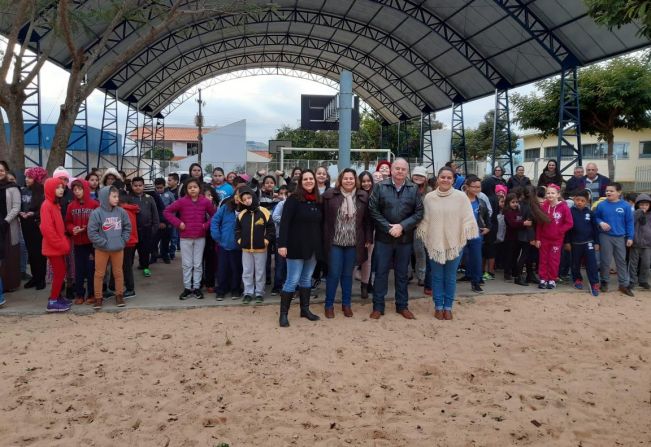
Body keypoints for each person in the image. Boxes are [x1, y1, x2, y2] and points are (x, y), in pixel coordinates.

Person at [417, 166, 478, 320]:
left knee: (450, 277)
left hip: (455, 243)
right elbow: (425, 219)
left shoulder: (461, 197)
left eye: (449, 178)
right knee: (437, 277)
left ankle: (448, 307)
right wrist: (426, 235)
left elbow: (468, 217)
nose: (445, 180)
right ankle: (438, 306)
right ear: (438, 178)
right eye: (442, 177)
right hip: (434, 243)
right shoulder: (429, 197)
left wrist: (463, 233)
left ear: (453, 179)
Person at [368, 158, 424, 320]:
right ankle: (378, 306)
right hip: (383, 239)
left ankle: (402, 306)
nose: (400, 171)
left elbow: (419, 212)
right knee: (381, 273)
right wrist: (388, 227)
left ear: (407, 172)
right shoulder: (380, 187)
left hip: (404, 240)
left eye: (403, 169)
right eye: (397, 168)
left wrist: (402, 226)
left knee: (401, 274)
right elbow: (373, 210)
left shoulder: (413, 189)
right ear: (391, 170)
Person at [322, 168, 372, 318]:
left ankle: (346, 304)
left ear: (355, 180)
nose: (348, 181)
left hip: (353, 243)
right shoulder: (330, 195)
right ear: (340, 180)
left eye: (351, 178)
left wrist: (369, 238)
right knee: (334, 274)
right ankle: (329, 305)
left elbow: (368, 220)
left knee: (347, 276)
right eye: (345, 178)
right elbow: (323, 219)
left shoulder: (362, 196)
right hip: (335, 242)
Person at [277, 169, 323, 327]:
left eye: (311, 179)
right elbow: (284, 223)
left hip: (313, 247)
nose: (309, 181)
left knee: (306, 279)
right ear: (300, 182)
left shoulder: (318, 200)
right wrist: (282, 244)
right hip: (295, 246)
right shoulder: (293, 200)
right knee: (292, 280)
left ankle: (305, 309)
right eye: (306, 179)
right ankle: (283, 314)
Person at [163, 178, 215, 300]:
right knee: (187, 264)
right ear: (186, 189)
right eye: (190, 187)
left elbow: (214, 215)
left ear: (199, 188)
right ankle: (187, 288)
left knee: (197, 264)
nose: (192, 189)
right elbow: (167, 212)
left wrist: (205, 226)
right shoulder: (181, 201)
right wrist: (178, 223)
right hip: (185, 237)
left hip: (200, 237)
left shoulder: (205, 202)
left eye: (195, 187)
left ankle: (196, 288)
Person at [88, 185, 131, 309]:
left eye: (117, 196)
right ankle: (98, 297)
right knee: (99, 274)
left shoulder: (121, 212)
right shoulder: (96, 213)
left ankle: (119, 295)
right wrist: (104, 243)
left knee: (118, 272)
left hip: (118, 248)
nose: (117, 199)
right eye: (114, 196)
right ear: (105, 197)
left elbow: (127, 227)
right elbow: (92, 232)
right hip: (102, 249)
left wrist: (123, 240)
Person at [235, 187, 275, 304]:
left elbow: (271, 228)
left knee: (260, 271)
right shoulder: (241, 214)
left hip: (261, 249)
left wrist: (266, 241)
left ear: (254, 197)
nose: (247, 200)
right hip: (246, 249)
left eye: (249, 198)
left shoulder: (264, 211)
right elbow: (237, 230)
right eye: (244, 199)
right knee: (247, 271)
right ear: (242, 201)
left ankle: (259, 293)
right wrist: (240, 241)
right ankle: (248, 293)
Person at [594, 183, 634, 296]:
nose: (608, 193)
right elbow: (595, 217)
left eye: (611, 191)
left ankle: (624, 284)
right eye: (607, 191)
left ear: (619, 192)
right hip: (605, 236)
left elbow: (629, 222)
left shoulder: (625, 206)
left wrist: (630, 237)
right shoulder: (601, 205)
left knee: (621, 261)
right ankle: (604, 282)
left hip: (620, 237)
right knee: (605, 261)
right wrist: (601, 222)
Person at [39, 177, 71, 312]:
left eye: (62, 187)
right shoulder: (47, 205)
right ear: (50, 189)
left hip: (57, 246)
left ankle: (57, 296)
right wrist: (60, 244)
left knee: (61, 271)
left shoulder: (54, 204)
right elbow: (47, 229)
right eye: (57, 187)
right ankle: (52, 301)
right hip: (54, 248)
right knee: (59, 273)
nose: (61, 190)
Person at [65, 179, 99, 304]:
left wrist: (87, 228)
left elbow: (99, 222)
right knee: (79, 270)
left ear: (85, 189)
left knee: (91, 269)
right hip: (78, 243)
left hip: (91, 243)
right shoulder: (71, 206)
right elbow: (68, 222)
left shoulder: (94, 204)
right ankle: (79, 294)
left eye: (79, 189)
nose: (77, 192)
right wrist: (72, 229)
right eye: (74, 190)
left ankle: (91, 294)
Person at [534, 184, 573, 289]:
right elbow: (539, 224)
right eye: (548, 193)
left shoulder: (564, 207)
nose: (550, 195)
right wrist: (537, 238)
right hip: (544, 238)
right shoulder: (543, 207)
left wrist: (559, 231)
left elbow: (569, 223)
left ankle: (552, 279)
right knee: (543, 259)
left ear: (558, 194)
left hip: (557, 239)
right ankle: (543, 279)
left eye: (552, 193)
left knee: (554, 260)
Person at [564, 189, 600, 296]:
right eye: (577, 200)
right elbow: (567, 229)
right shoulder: (570, 212)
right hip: (575, 243)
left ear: (587, 202)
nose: (580, 202)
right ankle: (577, 279)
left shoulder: (590, 213)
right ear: (574, 200)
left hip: (588, 242)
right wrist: (567, 242)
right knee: (575, 263)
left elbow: (595, 229)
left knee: (592, 263)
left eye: (582, 200)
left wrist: (597, 242)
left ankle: (594, 283)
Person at [20, 167, 47, 290]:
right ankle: (35, 277)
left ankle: (41, 278)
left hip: (37, 224)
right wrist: (20, 212)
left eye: (30, 177)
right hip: (26, 224)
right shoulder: (23, 190)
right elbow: (19, 205)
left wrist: (33, 214)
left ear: (36, 179)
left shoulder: (42, 192)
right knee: (31, 252)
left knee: (39, 253)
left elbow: (43, 210)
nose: (26, 179)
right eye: (26, 177)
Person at [462, 176, 490, 293]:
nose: (476, 189)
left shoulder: (481, 202)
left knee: (476, 258)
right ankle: (462, 277)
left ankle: (476, 281)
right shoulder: (461, 201)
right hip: (461, 233)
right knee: (459, 257)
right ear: (467, 187)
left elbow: (487, 217)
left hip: (476, 234)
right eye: (473, 186)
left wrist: (488, 228)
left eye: (478, 187)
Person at [128, 177, 159, 277]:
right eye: (135, 186)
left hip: (146, 230)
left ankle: (145, 267)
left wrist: (154, 229)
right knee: (130, 252)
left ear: (143, 186)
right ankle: (128, 270)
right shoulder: (128, 198)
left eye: (140, 185)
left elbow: (155, 215)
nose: (137, 188)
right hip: (132, 231)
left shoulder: (149, 198)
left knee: (145, 251)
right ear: (132, 186)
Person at [0, 161, 21, 292]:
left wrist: (5, 221)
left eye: (2, 170)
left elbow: (16, 207)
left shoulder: (12, 187)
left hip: (8, 226)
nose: (0, 173)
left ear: (6, 171)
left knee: (10, 256)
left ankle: (11, 284)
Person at [116, 186, 139, 300]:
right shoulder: (130, 209)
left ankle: (130, 289)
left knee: (126, 267)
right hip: (129, 241)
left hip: (126, 242)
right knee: (125, 266)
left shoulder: (123, 211)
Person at [503, 192, 529, 285]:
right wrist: (523, 223)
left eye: (516, 202)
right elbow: (513, 224)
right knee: (509, 256)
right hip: (510, 238)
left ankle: (514, 271)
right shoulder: (508, 212)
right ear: (508, 203)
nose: (515, 204)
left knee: (515, 255)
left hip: (517, 238)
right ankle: (507, 273)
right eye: (512, 202)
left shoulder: (518, 211)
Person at [410, 166, 430, 287]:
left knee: (420, 251)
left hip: (422, 226)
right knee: (405, 251)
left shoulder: (430, 191)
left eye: (421, 175)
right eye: (416, 175)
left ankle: (421, 275)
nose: (418, 177)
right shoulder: (406, 188)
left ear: (426, 178)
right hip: (406, 224)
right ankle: (407, 274)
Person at [357, 171, 375, 298]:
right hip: (356, 231)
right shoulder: (355, 195)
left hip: (371, 231)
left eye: (369, 181)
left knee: (367, 260)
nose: (366, 183)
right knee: (352, 260)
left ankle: (365, 285)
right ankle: (362, 279)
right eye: (363, 181)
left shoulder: (376, 195)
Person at [270, 185, 290, 295]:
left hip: (293, 238)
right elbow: (274, 216)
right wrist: (287, 221)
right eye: (287, 195)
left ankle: (288, 287)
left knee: (290, 264)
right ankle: (277, 286)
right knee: (280, 263)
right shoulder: (281, 204)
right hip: (280, 237)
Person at [629, 193, 651, 290]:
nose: (644, 207)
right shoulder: (634, 213)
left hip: (647, 244)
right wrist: (637, 214)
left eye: (646, 205)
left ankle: (643, 281)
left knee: (646, 263)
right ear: (637, 205)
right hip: (635, 243)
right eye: (641, 204)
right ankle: (632, 281)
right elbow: (630, 224)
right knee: (633, 263)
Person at [153, 178, 175, 264]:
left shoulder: (170, 195)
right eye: (157, 188)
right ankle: (153, 256)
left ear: (164, 185)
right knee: (154, 241)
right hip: (156, 222)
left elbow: (174, 208)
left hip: (168, 222)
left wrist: (170, 220)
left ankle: (165, 255)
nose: (159, 190)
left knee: (166, 240)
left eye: (161, 188)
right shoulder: (153, 195)